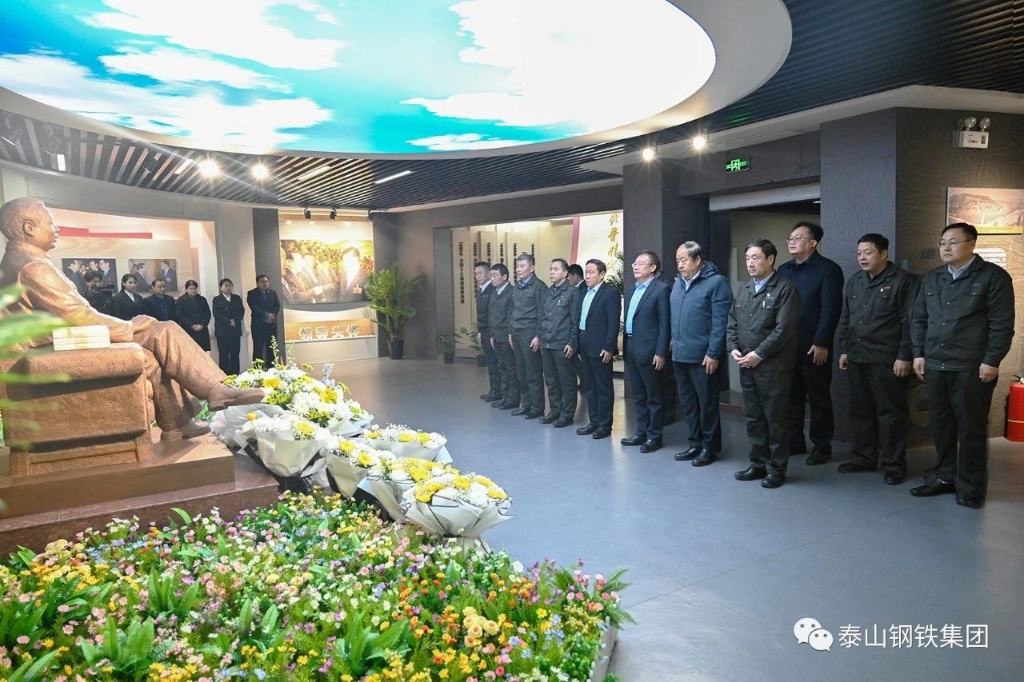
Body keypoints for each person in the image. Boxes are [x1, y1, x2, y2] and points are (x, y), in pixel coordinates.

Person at [0, 197, 266, 440]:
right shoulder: (33, 267)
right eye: (50, 223)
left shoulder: (21, 262)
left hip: (51, 347)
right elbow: (79, 316)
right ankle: (215, 389)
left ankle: (177, 423)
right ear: (29, 227)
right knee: (164, 330)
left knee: (154, 354)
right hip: (47, 353)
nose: (56, 229)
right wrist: (128, 327)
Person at [909, 222, 1015, 509]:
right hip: (935, 363)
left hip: (971, 366)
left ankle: (971, 487)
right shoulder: (933, 278)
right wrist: (918, 353)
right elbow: (919, 319)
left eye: (953, 242)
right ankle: (944, 477)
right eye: (943, 242)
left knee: (970, 428)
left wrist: (992, 360)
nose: (946, 247)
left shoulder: (993, 277)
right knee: (941, 425)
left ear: (972, 244)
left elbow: (1001, 324)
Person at [836, 234, 917, 485]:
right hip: (857, 356)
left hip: (887, 359)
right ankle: (864, 458)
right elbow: (847, 318)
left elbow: (909, 322)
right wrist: (845, 349)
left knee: (890, 414)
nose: (862, 257)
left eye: (868, 252)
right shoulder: (855, 281)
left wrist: (904, 356)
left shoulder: (902, 281)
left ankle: (894, 465)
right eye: (859, 253)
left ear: (883, 254)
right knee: (860, 412)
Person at [729, 239, 801, 489]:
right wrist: (733, 348)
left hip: (773, 367)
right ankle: (758, 463)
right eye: (747, 258)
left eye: (756, 257)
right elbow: (732, 322)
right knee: (754, 418)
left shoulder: (785, 289)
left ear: (770, 259)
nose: (750, 263)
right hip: (746, 364)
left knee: (776, 420)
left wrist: (759, 354)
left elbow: (784, 330)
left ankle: (777, 469)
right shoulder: (744, 288)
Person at [776, 221, 844, 465]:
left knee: (818, 398)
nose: (791, 242)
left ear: (813, 243)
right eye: (790, 238)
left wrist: (822, 342)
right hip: (786, 346)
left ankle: (822, 446)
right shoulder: (783, 270)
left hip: (814, 345)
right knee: (791, 397)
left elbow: (830, 308)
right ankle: (795, 441)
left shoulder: (828, 269)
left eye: (798, 238)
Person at [670, 241, 733, 467]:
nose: (680, 265)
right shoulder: (678, 283)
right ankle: (695, 443)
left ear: (698, 260)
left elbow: (720, 322)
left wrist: (714, 353)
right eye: (677, 260)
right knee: (688, 404)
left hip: (703, 356)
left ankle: (709, 447)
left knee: (707, 405)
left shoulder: (716, 283)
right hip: (680, 354)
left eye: (684, 260)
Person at [621, 251, 670, 453]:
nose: (635, 266)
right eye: (634, 263)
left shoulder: (661, 289)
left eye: (641, 263)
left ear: (653, 268)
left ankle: (654, 436)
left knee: (654, 396)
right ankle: (641, 432)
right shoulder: (631, 290)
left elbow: (665, 324)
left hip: (650, 350)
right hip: (631, 346)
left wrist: (661, 352)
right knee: (639, 395)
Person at [576, 258, 621, 440]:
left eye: (591, 272)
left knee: (603, 388)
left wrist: (609, 347)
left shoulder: (610, 293)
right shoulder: (582, 292)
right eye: (586, 272)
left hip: (601, 347)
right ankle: (593, 421)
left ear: (602, 275)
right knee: (590, 386)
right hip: (584, 343)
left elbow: (613, 322)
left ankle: (604, 425)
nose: (587, 276)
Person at [538, 258, 580, 428]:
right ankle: (555, 410)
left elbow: (575, 321)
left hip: (562, 344)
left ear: (565, 273)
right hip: (547, 343)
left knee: (567, 382)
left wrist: (572, 342)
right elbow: (542, 317)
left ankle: (567, 414)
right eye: (551, 269)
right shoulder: (548, 292)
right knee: (551, 380)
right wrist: (540, 337)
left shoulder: (572, 292)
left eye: (556, 269)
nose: (552, 272)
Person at [509, 254, 547, 419]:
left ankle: (537, 408)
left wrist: (538, 335)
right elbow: (511, 310)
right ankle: (526, 405)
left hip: (530, 334)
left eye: (522, 266)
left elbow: (542, 313)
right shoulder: (517, 286)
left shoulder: (539, 287)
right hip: (516, 333)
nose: (518, 269)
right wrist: (510, 331)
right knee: (521, 372)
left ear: (532, 268)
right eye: (517, 266)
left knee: (533, 373)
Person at [487, 263, 519, 410]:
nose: (492, 279)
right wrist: (492, 334)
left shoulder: (512, 292)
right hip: (496, 336)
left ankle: (513, 398)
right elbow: (491, 315)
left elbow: (511, 316)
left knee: (511, 368)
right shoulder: (494, 293)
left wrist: (510, 334)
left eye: (495, 276)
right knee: (502, 368)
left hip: (507, 337)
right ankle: (505, 396)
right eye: (491, 276)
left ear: (504, 276)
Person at [474, 261, 501, 402]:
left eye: (480, 273)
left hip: (491, 331)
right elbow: (481, 314)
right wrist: (479, 330)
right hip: (484, 330)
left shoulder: (492, 289)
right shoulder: (481, 290)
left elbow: (492, 314)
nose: (477, 276)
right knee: (490, 362)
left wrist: (491, 332)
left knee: (495, 362)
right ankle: (493, 389)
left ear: (488, 273)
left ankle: (498, 391)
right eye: (476, 274)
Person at [213, 278, 245, 375]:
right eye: (226, 286)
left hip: (235, 330)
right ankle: (225, 375)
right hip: (222, 331)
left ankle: (235, 374)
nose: (228, 288)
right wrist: (228, 321)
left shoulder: (237, 298)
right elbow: (216, 314)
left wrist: (235, 320)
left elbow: (241, 311)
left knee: (235, 353)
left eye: (230, 285)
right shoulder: (217, 299)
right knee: (224, 354)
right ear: (221, 288)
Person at [247, 275, 281, 366]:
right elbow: (254, 307)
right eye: (262, 282)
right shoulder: (252, 293)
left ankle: (272, 368)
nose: (265, 283)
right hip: (258, 325)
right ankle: (257, 370)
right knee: (258, 348)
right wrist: (266, 315)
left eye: (266, 281)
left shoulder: (273, 293)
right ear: (257, 283)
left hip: (271, 325)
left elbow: (277, 306)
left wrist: (272, 316)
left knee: (272, 348)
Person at [176, 279, 212, 352]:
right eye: (191, 289)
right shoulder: (181, 300)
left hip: (202, 330)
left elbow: (207, 314)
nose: (193, 290)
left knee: (202, 352)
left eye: (195, 288)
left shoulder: (202, 299)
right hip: (188, 329)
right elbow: (179, 315)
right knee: (190, 352)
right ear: (186, 289)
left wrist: (202, 325)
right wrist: (192, 325)